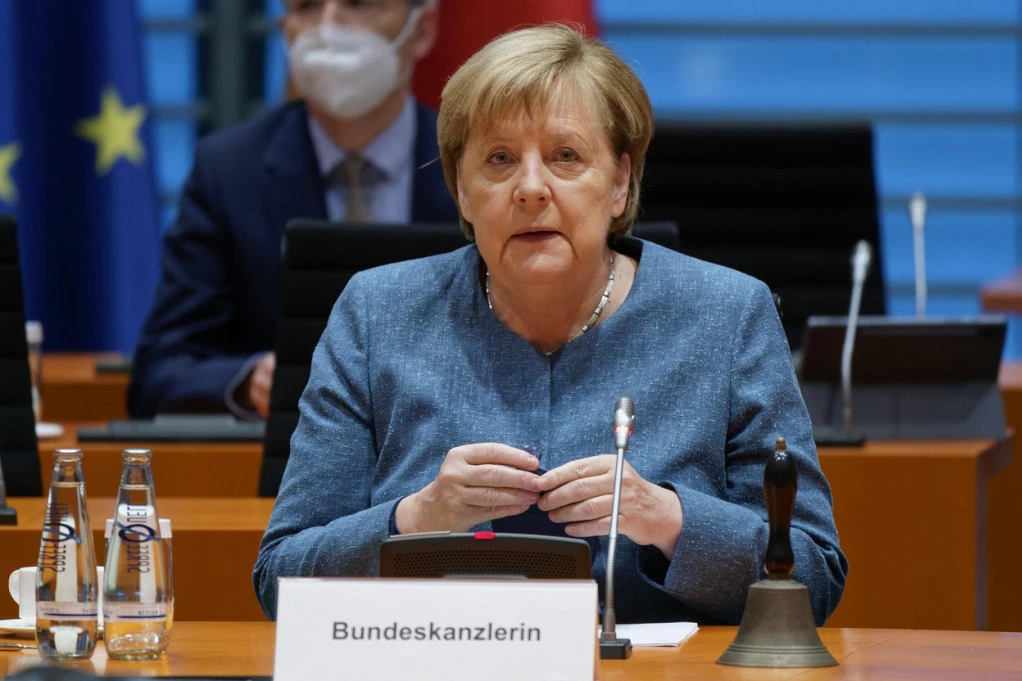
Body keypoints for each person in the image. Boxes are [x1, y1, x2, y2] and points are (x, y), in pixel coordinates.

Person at [253, 23, 847, 625]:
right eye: (499, 159)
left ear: (619, 183)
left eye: (566, 156)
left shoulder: (728, 314)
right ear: (461, 191)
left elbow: (814, 576)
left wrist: (668, 520)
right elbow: (281, 578)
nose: (531, 189)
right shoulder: (377, 313)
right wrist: (417, 518)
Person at [128, 0, 458, 420]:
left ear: (423, 28)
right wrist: (250, 380)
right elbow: (161, 370)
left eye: (359, 3)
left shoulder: (477, 165)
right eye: (307, 6)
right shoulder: (229, 171)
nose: (329, 26)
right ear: (285, 30)